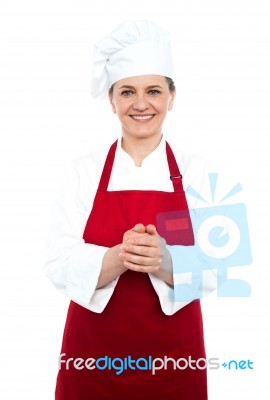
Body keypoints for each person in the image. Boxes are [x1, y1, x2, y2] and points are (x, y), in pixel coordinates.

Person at [44, 20, 215, 399]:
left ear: (172, 97)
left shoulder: (199, 172)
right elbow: (56, 263)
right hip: (93, 362)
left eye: (153, 90)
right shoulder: (82, 172)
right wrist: (118, 257)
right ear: (112, 100)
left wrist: (165, 260)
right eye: (127, 91)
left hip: (175, 362)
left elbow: (220, 268)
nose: (141, 104)